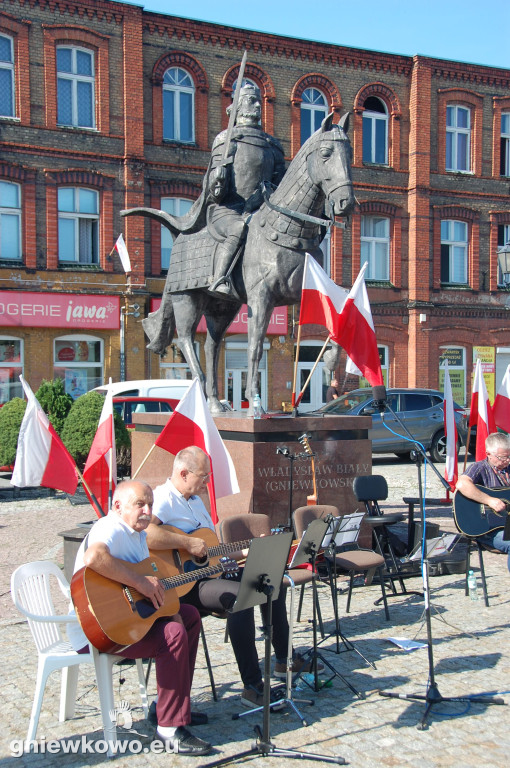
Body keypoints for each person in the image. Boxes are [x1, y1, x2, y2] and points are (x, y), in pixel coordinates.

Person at [147, 446, 318, 709]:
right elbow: (145, 535)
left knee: (269, 578)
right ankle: (252, 686)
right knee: (241, 598)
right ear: (183, 473)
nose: (207, 482)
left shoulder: (194, 501)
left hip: (208, 573)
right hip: (184, 585)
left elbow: (211, 550)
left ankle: (284, 660)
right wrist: (186, 542)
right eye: (203, 476)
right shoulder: (163, 498)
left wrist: (250, 550)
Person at [68, 480, 212, 756]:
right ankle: (169, 728)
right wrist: (141, 583)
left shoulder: (138, 534)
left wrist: (155, 592)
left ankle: (169, 705)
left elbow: (147, 584)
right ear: (117, 506)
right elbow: (94, 557)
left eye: (150, 504)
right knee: (172, 634)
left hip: (129, 619)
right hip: (99, 629)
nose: (147, 511)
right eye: (139, 504)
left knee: (190, 616)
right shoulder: (109, 527)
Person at [206, 82, 286, 299]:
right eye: (251, 100)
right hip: (228, 210)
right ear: (237, 106)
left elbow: (280, 185)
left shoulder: (273, 145)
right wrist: (218, 179)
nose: (258, 105)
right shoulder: (227, 139)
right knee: (239, 228)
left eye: (259, 100)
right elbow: (214, 193)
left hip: (260, 210)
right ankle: (219, 278)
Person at [456, 432, 510, 572]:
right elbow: (462, 484)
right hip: (487, 529)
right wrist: (489, 500)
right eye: (502, 457)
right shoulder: (480, 468)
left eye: (509, 456)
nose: (507, 461)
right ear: (488, 454)